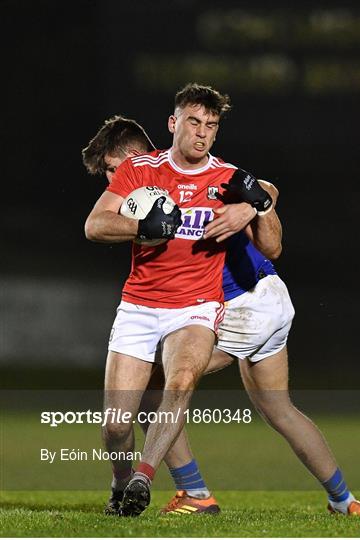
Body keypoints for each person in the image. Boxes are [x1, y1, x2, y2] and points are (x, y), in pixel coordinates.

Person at [83, 110, 360, 517]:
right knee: (279, 408)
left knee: (153, 392)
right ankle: (344, 501)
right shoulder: (150, 192)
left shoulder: (185, 179)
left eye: (113, 170)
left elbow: (262, 186)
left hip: (244, 304)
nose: (113, 182)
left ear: (136, 156)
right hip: (267, 299)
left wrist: (251, 208)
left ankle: (195, 494)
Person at [83, 83, 278, 517]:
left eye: (211, 125)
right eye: (194, 122)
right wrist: (144, 228)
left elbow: (273, 241)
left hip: (196, 307)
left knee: (181, 379)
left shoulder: (227, 179)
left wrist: (255, 208)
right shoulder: (141, 170)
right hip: (139, 306)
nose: (202, 133)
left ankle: (143, 478)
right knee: (115, 426)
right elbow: (95, 225)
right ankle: (120, 482)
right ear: (173, 124)